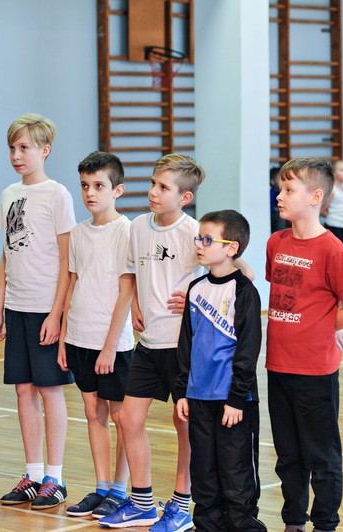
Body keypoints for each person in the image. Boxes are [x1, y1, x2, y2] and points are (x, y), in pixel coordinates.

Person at [98, 153, 204, 530]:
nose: (153, 192)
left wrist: (195, 295)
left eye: (163, 187)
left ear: (184, 198)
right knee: (127, 417)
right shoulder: (138, 226)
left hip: (183, 346)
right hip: (149, 342)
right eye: (153, 184)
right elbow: (132, 273)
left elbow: (231, 272)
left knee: (183, 423)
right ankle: (142, 503)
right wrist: (138, 304)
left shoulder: (195, 232)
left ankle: (181, 504)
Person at [267, 157, 343, 532]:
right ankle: (293, 521)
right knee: (288, 455)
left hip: (315, 372)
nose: (279, 196)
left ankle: (325, 523)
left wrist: (323, 329)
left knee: (321, 455)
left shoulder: (333, 250)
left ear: (315, 197)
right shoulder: (276, 241)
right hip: (277, 366)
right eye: (280, 188)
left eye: (289, 190)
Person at [0, 113, 76, 510]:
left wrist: (57, 313)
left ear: (44, 150)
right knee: (23, 390)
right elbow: (6, 254)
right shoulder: (8, 193)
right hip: (17, 307)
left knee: (49, 389)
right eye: (12, 147)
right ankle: (33, 472)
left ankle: (55, 477)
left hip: (46, 307)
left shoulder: (57, 194)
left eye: (24, 147)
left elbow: (66, 260)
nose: (16, 155)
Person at [173, 210, 266, 532]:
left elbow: (248, 349)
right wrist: (182, 390)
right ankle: (207, 524)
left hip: (231, 401)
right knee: (204, 469)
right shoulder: (196, 289)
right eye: (199, 238)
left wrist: (237, 399)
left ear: (231, 248)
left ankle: (241, 524)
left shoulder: (244, 292)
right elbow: (186, 344)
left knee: (235, 469)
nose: (200, 244)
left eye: (208, 239)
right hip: (198, 396)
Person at [57, 152, 134, 519]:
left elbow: (126, 291)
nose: (90, 193)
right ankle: (102, 487)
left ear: (117, 190)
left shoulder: (126, 231)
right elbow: (73, 283)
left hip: (113, 345)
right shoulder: (78, 233)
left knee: (122, 418)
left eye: (99, 186)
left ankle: (121, 490)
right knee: (93, 414)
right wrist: (62, 339)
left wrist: (109, 346)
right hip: (78, 338)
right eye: (85, 186)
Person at [323, 159, 343, 243]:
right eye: (342, 170)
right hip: (334, 224)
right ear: (334, 173)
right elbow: (323, 207)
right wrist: (330, 215)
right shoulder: (333, 190)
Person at [270, 166, 287, 233]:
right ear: (272, 182)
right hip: (273, 216)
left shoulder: (283, 191)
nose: (282, 181)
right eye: (279, 179)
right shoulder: (272, 192)